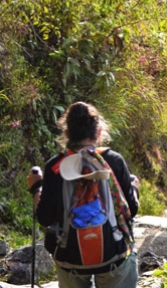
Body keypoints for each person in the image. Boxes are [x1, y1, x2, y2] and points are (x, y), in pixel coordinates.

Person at [26, 102, 140, 288]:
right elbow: (131, 210)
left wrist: (36, 187)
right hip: (114, 253)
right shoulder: (113, 161)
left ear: (66, 133)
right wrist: (134, 188)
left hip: (69, 258)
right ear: (99, 132)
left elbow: (45, 218)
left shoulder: (55, 167)